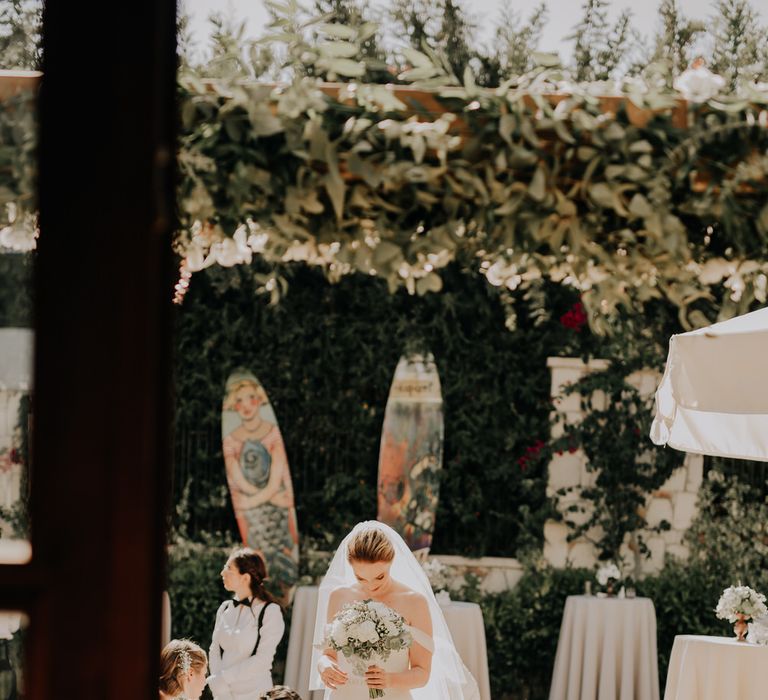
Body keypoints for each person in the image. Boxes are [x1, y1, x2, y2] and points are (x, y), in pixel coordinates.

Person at [310, 522, 479, 700]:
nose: (371, 585)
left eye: (379, 576)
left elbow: (422, 672)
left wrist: (390, 680)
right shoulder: (338, 597)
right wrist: (324, 666)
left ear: (391, 562)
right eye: (360, 577)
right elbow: (328, 654)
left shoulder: (415, 602)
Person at [222, 370, 299, 600]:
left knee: (281, 549)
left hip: (274, 508)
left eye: (251, 399)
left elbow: (276, 474)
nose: (246, 405)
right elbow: (237, 478)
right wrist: (264, 497)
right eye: (239, 400)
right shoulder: (232, 439)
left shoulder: (272, 433)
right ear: (233, 406)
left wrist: (256, 499)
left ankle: (283, 593)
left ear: (259, 401)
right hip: (255, 512)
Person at [208, 548, 286, 700]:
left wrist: (224, 678)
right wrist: (219, 687)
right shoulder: (224, 608)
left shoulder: (270, 611)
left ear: (245, 578)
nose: (222, 573)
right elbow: (214, 649)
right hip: (222, 694)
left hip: (255, 694)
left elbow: (263, 660)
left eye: (228, 568)